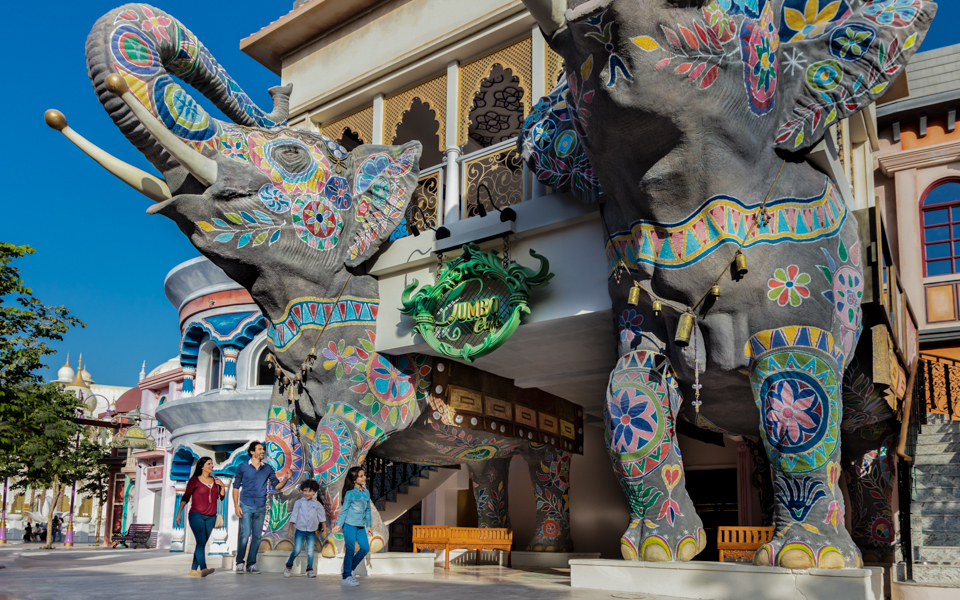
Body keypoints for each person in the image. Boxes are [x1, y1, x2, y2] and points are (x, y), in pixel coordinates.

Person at [233, 441, 290, 574]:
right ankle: (240, 563)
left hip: (261, 505)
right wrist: (236, 505)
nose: (262, 451)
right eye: (259, 449)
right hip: (245, 504)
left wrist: (286, 479)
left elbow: (276, 486)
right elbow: (236, 487)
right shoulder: (242, 467)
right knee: (245, 534)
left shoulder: (268, 468)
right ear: (252, 452)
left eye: (263, 449)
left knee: (257, 536)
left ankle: (251, 564)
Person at [176, 456, 226, 577]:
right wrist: (179, 513)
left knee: (201, 543)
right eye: (209, 464)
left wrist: (223, 486)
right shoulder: (194, 480)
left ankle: (193, 570)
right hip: (196, 514)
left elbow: (221, 497)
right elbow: (186, 497)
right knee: (201, 541)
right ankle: (203, 568)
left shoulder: (215, 481)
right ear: (201, 466)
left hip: (211, 516)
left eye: (212, 464)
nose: (211, 466)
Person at [333, 467, 373, 587]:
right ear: (354, 479)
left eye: (364, 475)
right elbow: (344, 510)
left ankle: (349, 569)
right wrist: (338, 525)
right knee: (350, 550)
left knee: (365, 548)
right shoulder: (350, 494)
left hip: (361, 526)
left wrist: (369, 526)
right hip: (349, 525)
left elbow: (368, 511)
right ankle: (345, 578)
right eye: (361, 476)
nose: (364, 477)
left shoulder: (366, 492)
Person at [283, 479, 326, 578]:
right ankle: (288, 566)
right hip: (300, 531)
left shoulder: (317, 504)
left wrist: (325, 529)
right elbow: (294, 516)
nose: (307, 493)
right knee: (297, 550)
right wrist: (290, 529)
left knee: (310, 551)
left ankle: (310, 569)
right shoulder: (298, 503)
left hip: (311, 531)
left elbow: (322, 517)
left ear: (314, 492)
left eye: (310, 491)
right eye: (305, 491)